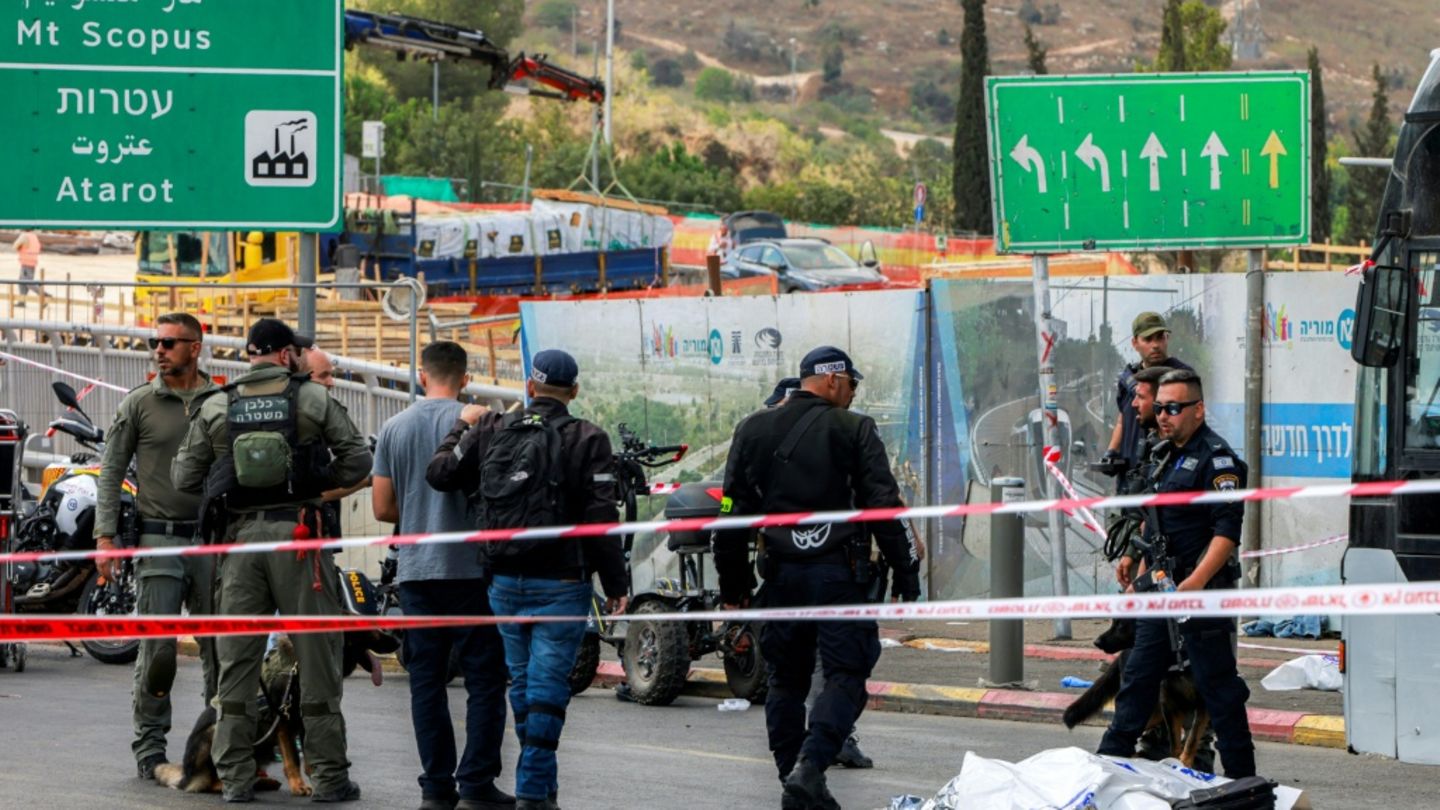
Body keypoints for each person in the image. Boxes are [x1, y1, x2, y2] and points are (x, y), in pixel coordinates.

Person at [171, 318, 372, 803]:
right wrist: (315, 482)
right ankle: (329, 779)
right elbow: (359, 462)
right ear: (286, 355)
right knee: (318, 660)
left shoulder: (218, 403)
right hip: (299, 537)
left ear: (249, 354)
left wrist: (230, 475)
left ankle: (236, 780)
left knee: (237, 664)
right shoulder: (312, 399)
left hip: (239, 546)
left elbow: (183, 476)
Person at [718, 345, 921, 810]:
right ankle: (808, 771)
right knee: (846, 676)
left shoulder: (752, 429)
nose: (852, 393)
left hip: (781, 578)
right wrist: (907, 572)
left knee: (785, 683)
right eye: (852, 383)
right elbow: (884, 507)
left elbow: (729, 515)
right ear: (833, 380)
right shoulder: (855, 428)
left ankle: (795, 779)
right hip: (839, 577)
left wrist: (734, 589)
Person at [427, 349, 627, 810]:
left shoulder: (492, 427)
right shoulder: (588, 437)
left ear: (530, 387)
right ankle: (534, 794)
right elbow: (601, 519)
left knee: (526, 687)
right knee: (546, 689)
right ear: (574, 392)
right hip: (561, 582)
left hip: (503, 582)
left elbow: (440, 473)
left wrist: (463, 424)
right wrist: (616, 583)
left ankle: (544, 791)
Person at [372, 342, 513, 810]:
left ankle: (436, 788)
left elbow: (382, 508)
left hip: (416, 573)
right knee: (485, 680)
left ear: (420, 373)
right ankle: (476, 782)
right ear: (465, 377)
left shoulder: (394, 427)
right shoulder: (483, 421)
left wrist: (416, 513)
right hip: (473, 572)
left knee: (426, 681)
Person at [1096, 369, 1256, 779]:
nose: (1163, 415)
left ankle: (1245, 788)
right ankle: (1099, 773)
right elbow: (1156, 521)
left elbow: (1226, 534)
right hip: (1161, 593)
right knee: (1136, 684)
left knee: (1219, 692)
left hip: (1199, 595)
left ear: (1198, 410)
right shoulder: (1164, 454)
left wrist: (1196, 583)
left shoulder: (1218, 462)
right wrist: (1140, 569)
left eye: (1173, 407)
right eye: (1160, 406)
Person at [95, 312, 222, 780]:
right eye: (156, 342)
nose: (160, 349)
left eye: (170, 342)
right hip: (158, 538)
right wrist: (105, 539)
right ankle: (150, 750)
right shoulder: (140, 404)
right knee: (159, 651)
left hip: (212, 542)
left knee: (220, 653)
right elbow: (110, 470)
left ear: (195, 346)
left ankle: (222, 748)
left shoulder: (220, 401)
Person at [1098, 312, 1192, 487]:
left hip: (1165, 478)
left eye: (1160, 338)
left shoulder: (1182, 377)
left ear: (1167, 338)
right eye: (1148, 340)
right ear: (1135, 343)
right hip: (1131, 479)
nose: (1155, 345)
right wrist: (1112, 451)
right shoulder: (1128, 379)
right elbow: (1123, 418)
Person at [305, 349, 370, 539]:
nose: (331, 382)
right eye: (323, 376)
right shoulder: (307, 423)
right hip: (308, 532)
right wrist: (369, 479)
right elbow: (319, 493)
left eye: (332, 375)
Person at [12, 229, 40, 299]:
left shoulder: (24, 236)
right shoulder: (34, 236)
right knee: (22, 281)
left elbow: (15, 246)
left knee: (27, 282)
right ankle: (22, 301)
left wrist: (19, 248)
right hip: (33, 261)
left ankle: (44, 294)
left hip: (26, 261)